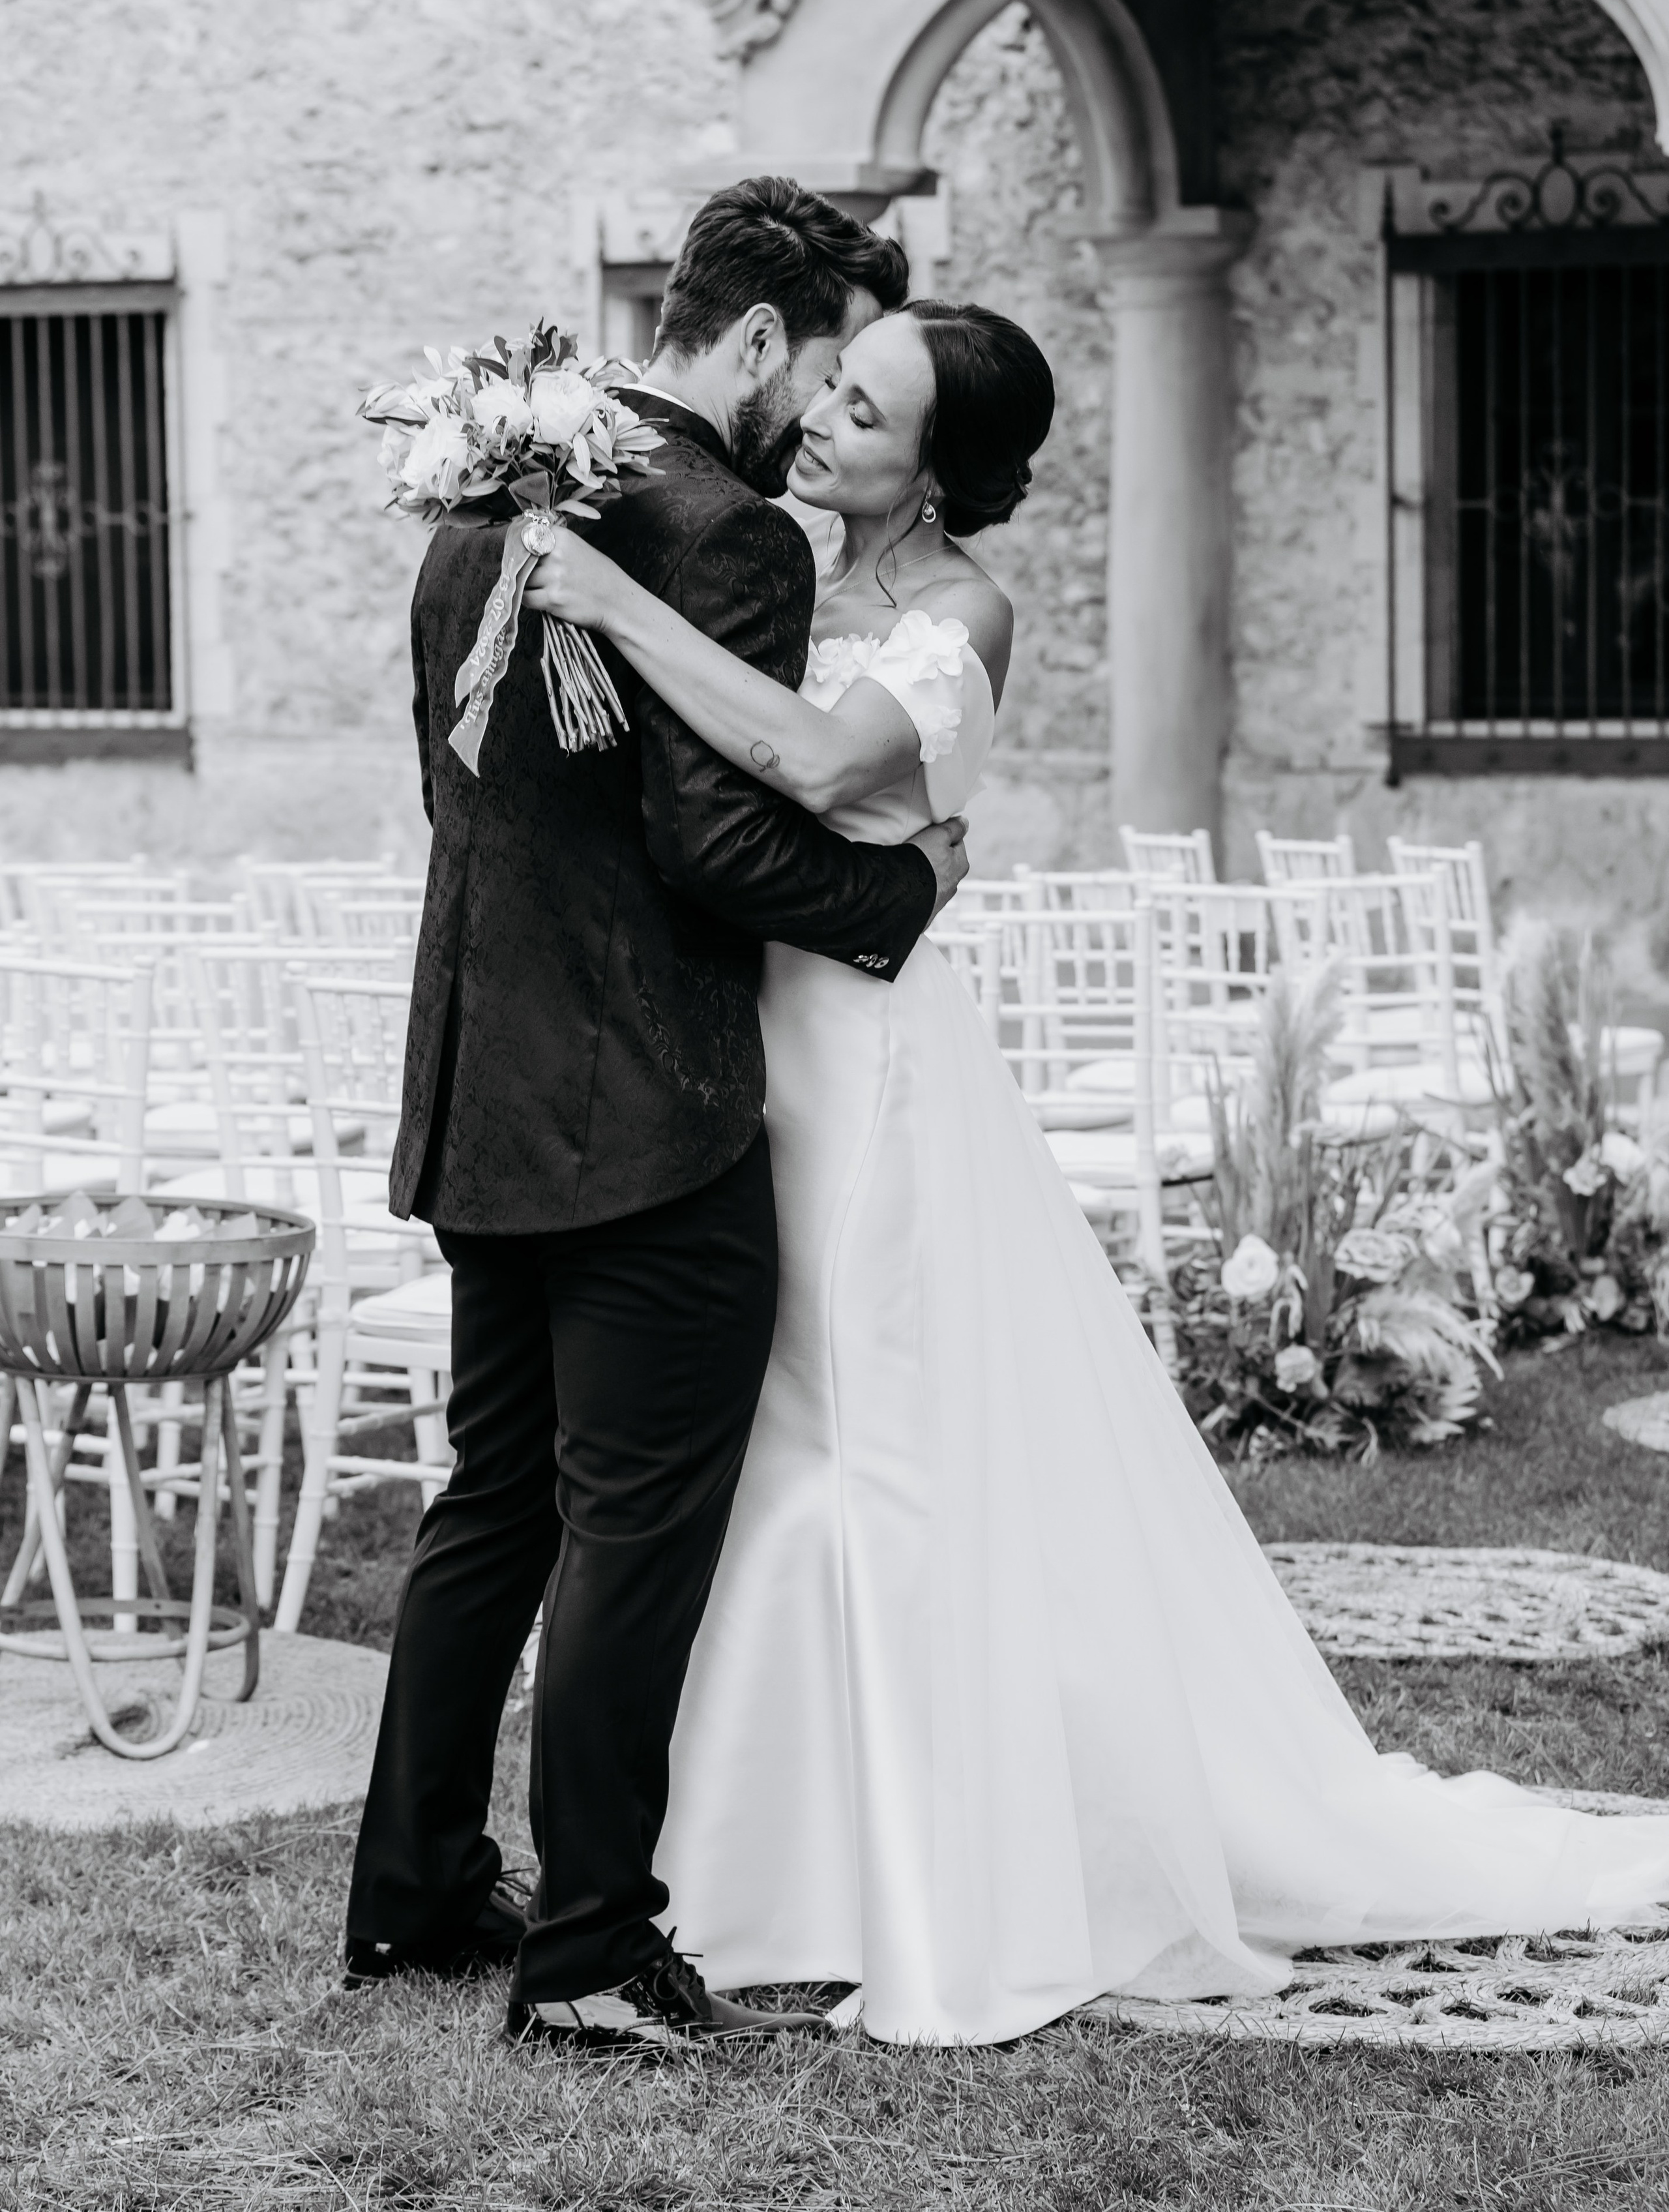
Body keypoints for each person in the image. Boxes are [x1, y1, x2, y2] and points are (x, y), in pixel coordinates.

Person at [527, 294, 1669, 2048]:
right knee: (785, 1446)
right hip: (748, 1050)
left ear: (936, 475)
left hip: (874, 1057)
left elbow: (821, 758)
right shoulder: (767, 573)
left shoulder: (963, 608)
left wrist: (607, 603)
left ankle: (942, 1870)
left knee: (891, 1445)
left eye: (871, 415)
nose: (826, 419)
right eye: (834, 386)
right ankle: (772, 1856)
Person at [342, 179, 973, 2054]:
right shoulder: (733, 536)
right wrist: (901, 892)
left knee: (496, 1503)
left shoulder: (489, 504)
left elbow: (468, 791)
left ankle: (418, 1891)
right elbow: (712, 837)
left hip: (484, 1081)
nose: (816, 419)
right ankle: (595, 1947)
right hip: (652, 1112)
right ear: (761, 341)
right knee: (635, 1527)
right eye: (822, 368)